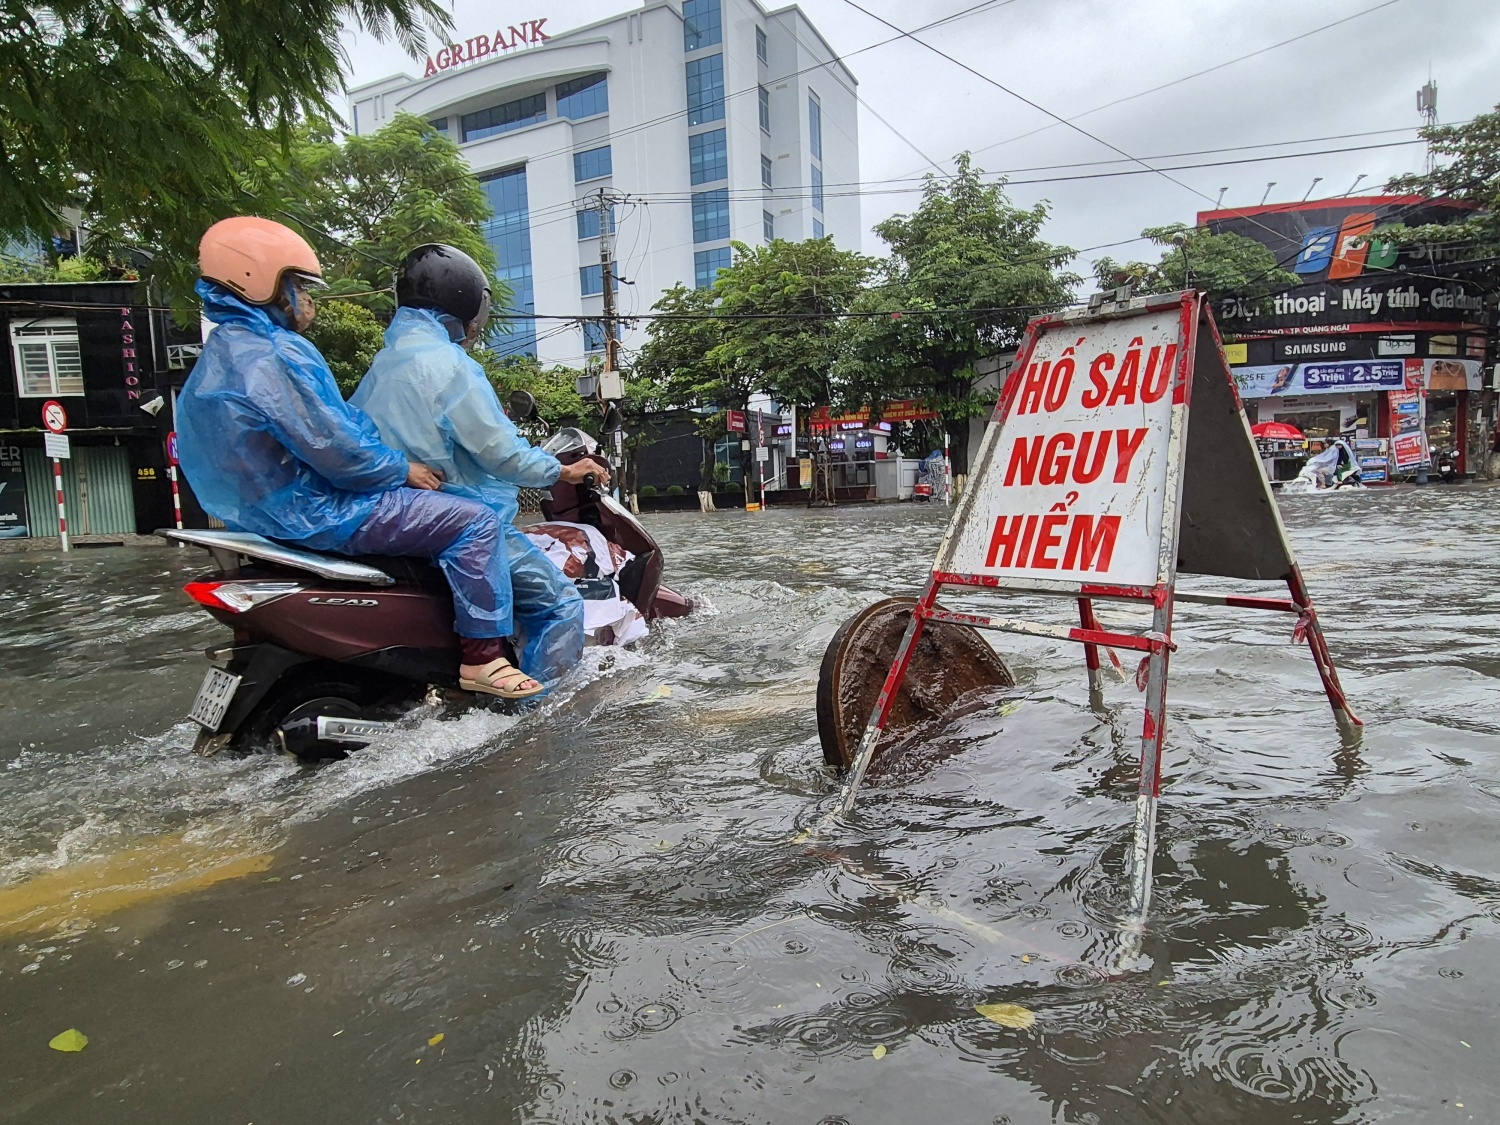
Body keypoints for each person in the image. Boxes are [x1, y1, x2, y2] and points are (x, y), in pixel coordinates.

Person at [176, 217, 544, 700]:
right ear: (261, 281)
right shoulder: (276, 354)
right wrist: (401, 469)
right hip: (320, 508)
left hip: (264, 516)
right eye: (299, 286)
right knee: (474, 522)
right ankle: (482, 659)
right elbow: (338, 449)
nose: (308, 300)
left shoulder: (218, 358)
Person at [351, 243, 601, 684]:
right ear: (469, 301)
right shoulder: (450, 365)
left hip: (391, 516)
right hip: (458, 522)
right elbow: (500, 454)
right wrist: (563, 470)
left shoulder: (384, 365)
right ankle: (543, 718)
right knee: (561, 604)